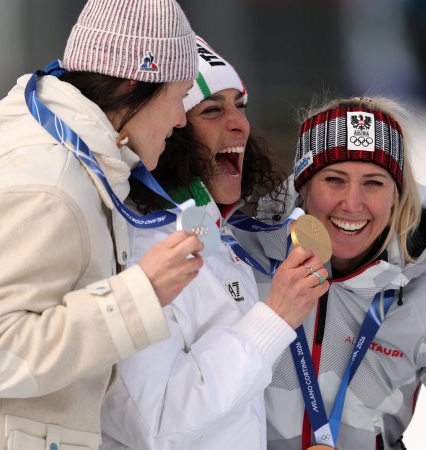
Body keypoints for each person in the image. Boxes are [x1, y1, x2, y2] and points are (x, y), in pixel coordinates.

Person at [0, 1, 205, 449]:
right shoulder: (47, 184)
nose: (180, 118)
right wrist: (137, 297)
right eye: (178, 94)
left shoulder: (75, 175)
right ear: (135, 83)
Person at [252, 97, 426, 449]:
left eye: (374, 183)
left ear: (397, 196)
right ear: (302, 188)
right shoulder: (244, 269)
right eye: (334, 179)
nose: (352, 203)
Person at [99, 37, 329, 449]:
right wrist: (274, 317)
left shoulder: (217, 236)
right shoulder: (139, 247)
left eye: (239, 106)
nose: (240, 123)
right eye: (212, 109)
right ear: (171, 129)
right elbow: (159, 423)